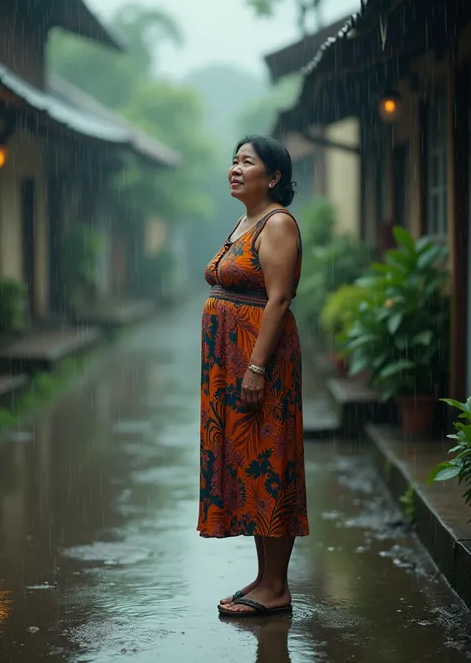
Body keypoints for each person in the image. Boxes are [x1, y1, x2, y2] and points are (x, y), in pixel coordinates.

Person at [197, 135, 309, 618]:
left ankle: (277, 586)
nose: (235, 169)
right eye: (234, 160)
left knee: (270, 461)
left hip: (261, 362)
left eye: (248, 162)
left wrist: (256, 368)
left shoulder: (278, 224)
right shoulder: (245, 222)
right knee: (249, 464)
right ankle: (265, 580)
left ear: (275, 176)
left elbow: (279, 298)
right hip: (232, 364)